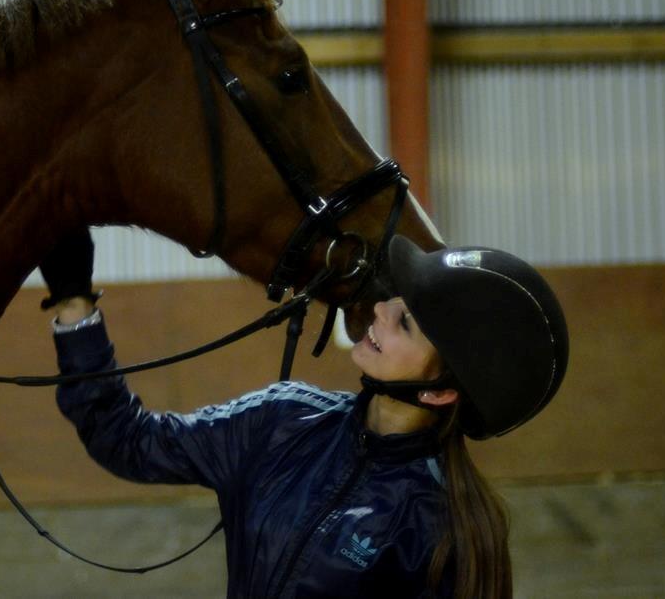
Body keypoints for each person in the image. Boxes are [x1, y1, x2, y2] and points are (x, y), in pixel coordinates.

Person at [40, 231, 568, 599]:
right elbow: (127, 439)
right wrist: (73, 303)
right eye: (396, 300)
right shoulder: (283, 419)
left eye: (405, 322)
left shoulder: (443, 531)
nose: (379, 310)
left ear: (438, 393)